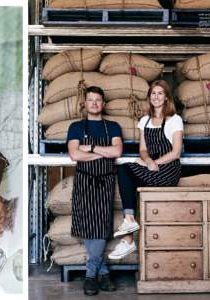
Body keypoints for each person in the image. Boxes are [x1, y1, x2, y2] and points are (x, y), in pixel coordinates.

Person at [108, 80, 183, 260]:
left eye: (160, 93)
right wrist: (147, 160)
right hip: (152, 166)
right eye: (153, 93)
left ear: (166, 97)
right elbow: (142, 149)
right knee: (125, 170)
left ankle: (128, 239)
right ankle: (129, 225)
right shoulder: (144, 120)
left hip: (168, 169)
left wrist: (153, 163)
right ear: (149, 97)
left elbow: (176, 153)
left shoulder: (174, 120)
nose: (156, 97)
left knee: (128, 173)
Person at [67, 86, 123, 296]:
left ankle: (90, 275)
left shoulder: (113, 126)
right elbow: (74, 155)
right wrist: (102, 153)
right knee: (89, 226)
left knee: (100, 226)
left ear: (103, 104)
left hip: (105, 181)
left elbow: (117, 151)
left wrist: (88, 148)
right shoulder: (76, 127)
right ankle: (103, 272)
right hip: (84, 181)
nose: (94, 103)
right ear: (85, 103)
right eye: (90, 100)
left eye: (98, 100)